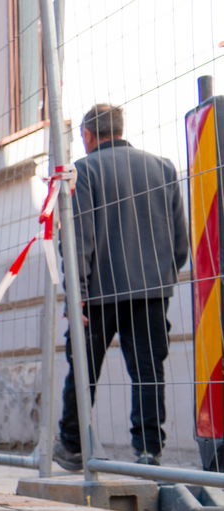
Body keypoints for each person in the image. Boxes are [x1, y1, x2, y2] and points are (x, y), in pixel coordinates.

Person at [56, 103, 190, 469]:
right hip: (151, 291)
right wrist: (161, 275)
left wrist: (77, 294)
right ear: (119, 128)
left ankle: (72, 445)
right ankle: (149, 450)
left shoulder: (83, 171)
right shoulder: (162, 167)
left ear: (87, 135)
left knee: (84, 369)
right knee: (148, 372)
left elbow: (78, 238)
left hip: (99, 292)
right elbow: (181, 241)